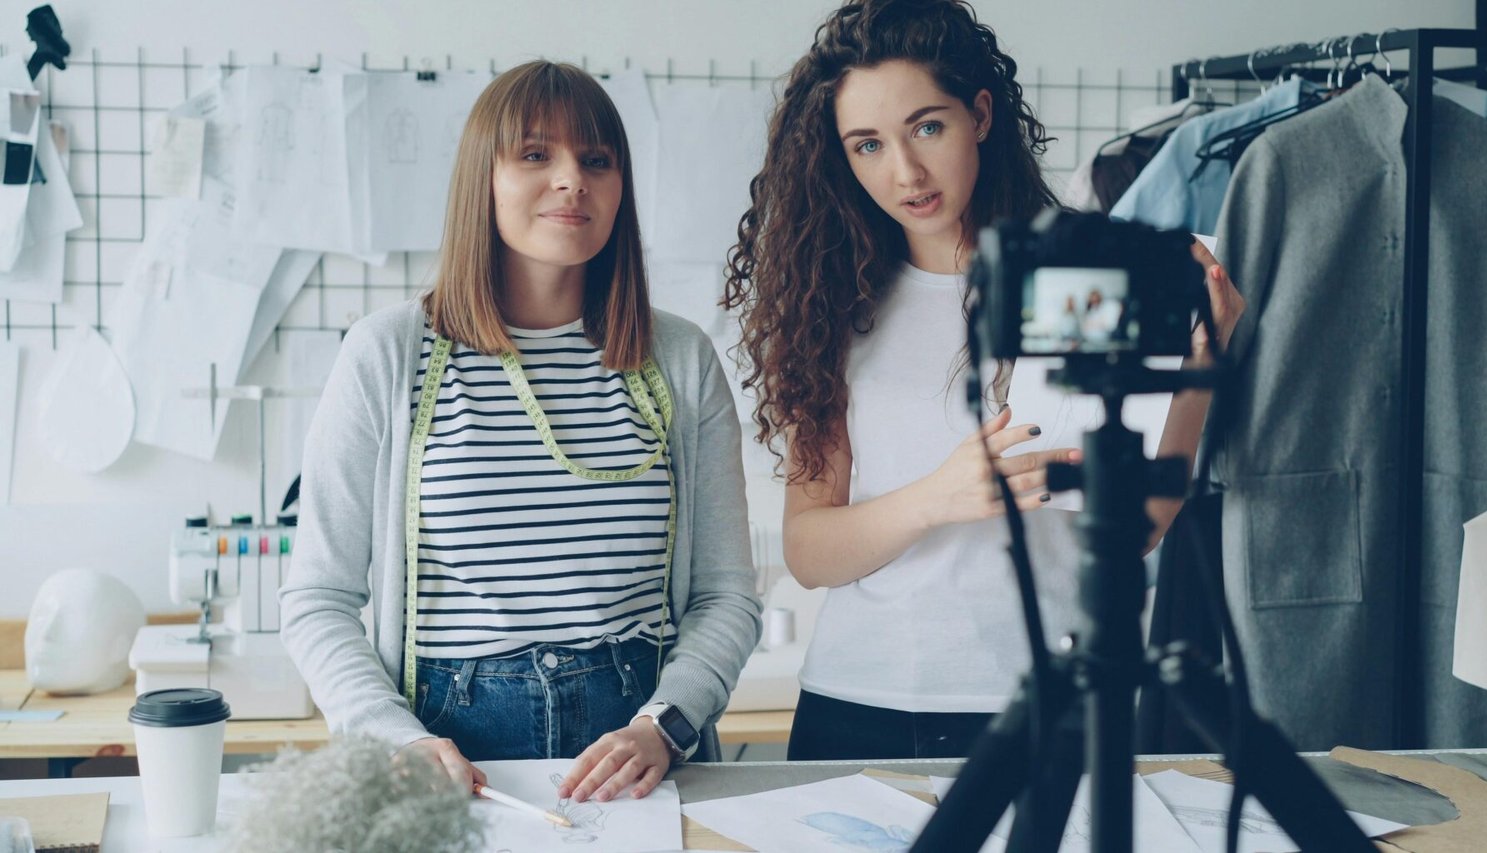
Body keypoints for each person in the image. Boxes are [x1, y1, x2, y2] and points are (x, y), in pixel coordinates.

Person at [723, 0, 1245, 760]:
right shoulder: (832, 305)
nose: (905, 172)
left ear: (980, 115)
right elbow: (808, 548)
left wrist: (1201, 363)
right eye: (868, 145)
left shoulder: (1080, 286)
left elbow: (1137, 525)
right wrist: (938, 496)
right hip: (861, 704)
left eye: (927, 127)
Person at [281, 60, 761, 802]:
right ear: (484, 178)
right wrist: (393, 737)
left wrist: (665, 724)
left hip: (639, 757)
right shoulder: (389, 355)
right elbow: (317, 598)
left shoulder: (679, 359)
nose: (572, 180)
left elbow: (726, 594)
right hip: (449, 758)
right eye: (536, 154)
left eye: (596, 160)